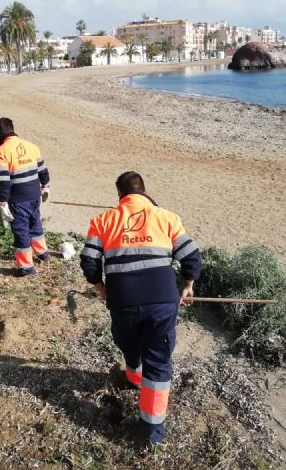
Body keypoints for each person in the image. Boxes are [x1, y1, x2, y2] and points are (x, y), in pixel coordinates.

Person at [80, 171, 201, 445]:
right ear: (144, 192)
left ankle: (134, 377)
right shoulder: (168, 217)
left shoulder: (103, 220)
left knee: (129, 342)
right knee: (158, 362)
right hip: (162, 302)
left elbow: (88, 261)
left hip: (122, 302)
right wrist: (188, 284)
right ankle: (151, 434)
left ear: (120, 195)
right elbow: (191, 255)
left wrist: (101, 288)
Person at [0, 117, 51, 276]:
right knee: (35, 222)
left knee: (21, 231)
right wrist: (45, 185)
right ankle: (42, 253)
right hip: (34, 194)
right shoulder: (31, 146)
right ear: (13, 128)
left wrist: (3, 201)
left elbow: (4, 180)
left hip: (18, 199)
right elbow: (43, 170)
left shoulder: (2, 152)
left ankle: (26, 267)